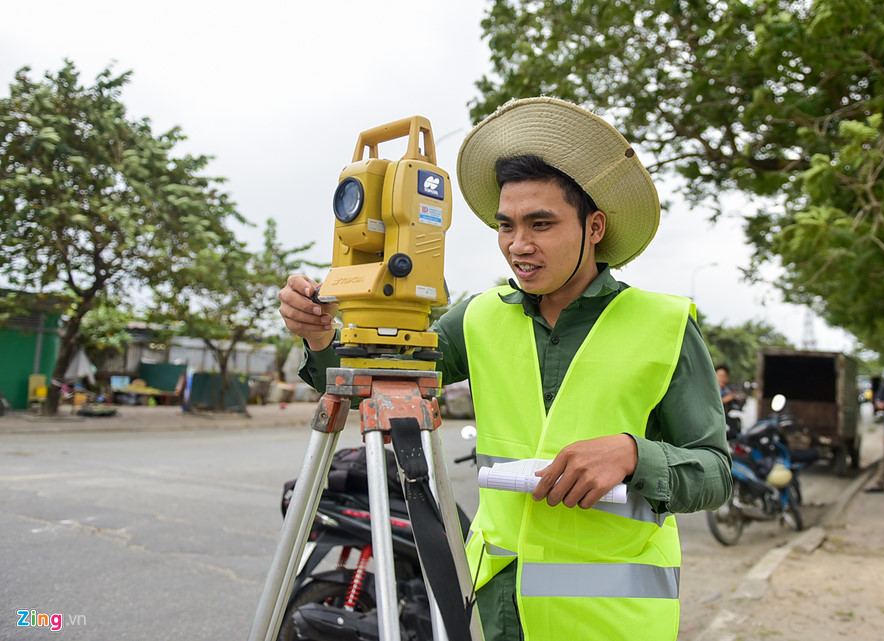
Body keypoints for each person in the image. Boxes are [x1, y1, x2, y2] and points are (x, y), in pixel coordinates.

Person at [278, 97, 732, 641]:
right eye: (507, 225)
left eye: (542, 224)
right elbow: (373, 377)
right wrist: (322, 335)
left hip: (611, 621)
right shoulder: (477, 317)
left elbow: (715, 473)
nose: (519, 245)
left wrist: (634, 455)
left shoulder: (665, 325)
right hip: (499, 608)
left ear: (594, 227)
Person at [715, 364, 741, 438]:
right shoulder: (712, 389)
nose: (722, 379)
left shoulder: (726, 389)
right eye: (720, 376)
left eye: (724, 376)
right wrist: (725, 399)